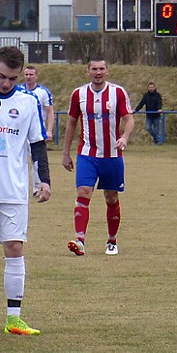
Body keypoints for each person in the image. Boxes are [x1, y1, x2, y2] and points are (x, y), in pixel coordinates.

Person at [0, 47, 51, 336]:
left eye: (12, 79)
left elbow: (37, 143)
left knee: (14, 249)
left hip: (14, 190)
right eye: (2, 76)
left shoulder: (28, 103)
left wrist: (44, 180)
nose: (5, 83)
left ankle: (13, 319)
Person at [62, 56, 135, 257]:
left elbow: (129, 119)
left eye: (101, 68)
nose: (98, 72)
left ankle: (112, 241)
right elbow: (71, 124)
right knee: (84, 192)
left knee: (111, 198)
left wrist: (125, 137)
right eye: (94, 69)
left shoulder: (117, 92)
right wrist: (66, 153)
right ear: (88, 72)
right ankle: (80, 240)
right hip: (87, 154)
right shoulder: (79, 94)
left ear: (107, 71)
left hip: (112, 155)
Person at [23, 64, 54, 196]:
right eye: (26, 74)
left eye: (31, 74)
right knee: (21, 161)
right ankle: (21, 188)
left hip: (37, 132)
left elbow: (50, 112)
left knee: (37, 160)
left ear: (36, 76)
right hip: (22, 132)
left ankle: (37, 188)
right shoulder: (19, 90)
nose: (28, 77)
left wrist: (49, 130)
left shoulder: (43, 92)